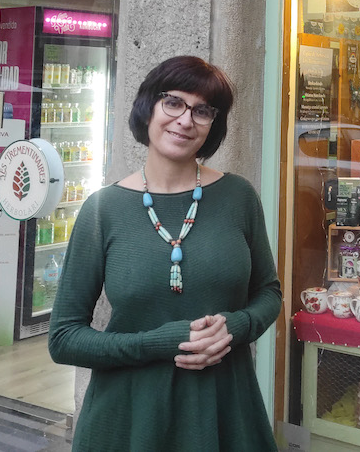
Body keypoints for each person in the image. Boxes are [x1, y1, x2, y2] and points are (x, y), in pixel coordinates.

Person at [49, 56, 282, 451]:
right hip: (129, 418)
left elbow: (269, 292)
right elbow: (64, 338)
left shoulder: (238, 197)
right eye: (173, 102)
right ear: (149, 107)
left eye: (202, 111)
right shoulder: (103, 210)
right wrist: (156, 343)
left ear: (213, 125)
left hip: (224, 410)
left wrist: (237, 325)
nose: (185, 120)